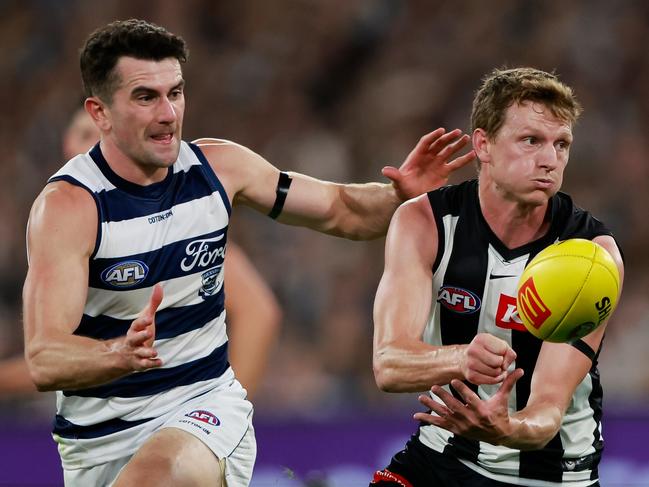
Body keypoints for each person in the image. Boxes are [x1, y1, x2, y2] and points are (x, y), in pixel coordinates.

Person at [21, 19, 474, 487]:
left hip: (203, 406)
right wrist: (118, 353)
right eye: (145, 97)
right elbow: (45, 357)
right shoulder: (70, 207)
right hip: (94, 443)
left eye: (175, 93)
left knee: (156, 478)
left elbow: (341, 210)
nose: (168, 113)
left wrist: (398, 196)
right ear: (99, 113)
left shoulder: (220, 167)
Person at [370, 67, 624, 487]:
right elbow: (388, 364)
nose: (550, 160)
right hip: (440, 457)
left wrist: (504, 429)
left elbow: (546, 412)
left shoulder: (592, 259)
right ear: (483, 144)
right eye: (531, 141)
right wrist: (460, 357)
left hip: (550, 477)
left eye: (562, 145)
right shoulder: (425, 222)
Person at [3, 108, 282, 401]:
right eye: (86, 135)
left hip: (163, 412)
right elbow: (55, 359)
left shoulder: (177, 226)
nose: (97, 146)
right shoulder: (63, 222)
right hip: (93, 418)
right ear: (67, 143)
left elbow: (258, 310)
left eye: (105, 137)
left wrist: (226, 413)